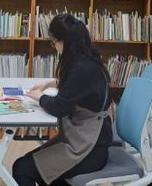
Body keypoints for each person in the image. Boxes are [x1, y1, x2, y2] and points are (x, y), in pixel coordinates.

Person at [13, 14, 112, 186]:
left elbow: (59, 108)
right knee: (38, 171)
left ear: (65, 42)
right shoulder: (88, 60)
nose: (54, 46)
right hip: (90, 139)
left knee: (22, 169)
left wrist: (41, 97)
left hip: (90, 147)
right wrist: (52, 83)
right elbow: (81, 89)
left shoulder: (82, 69)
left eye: (54, 42)